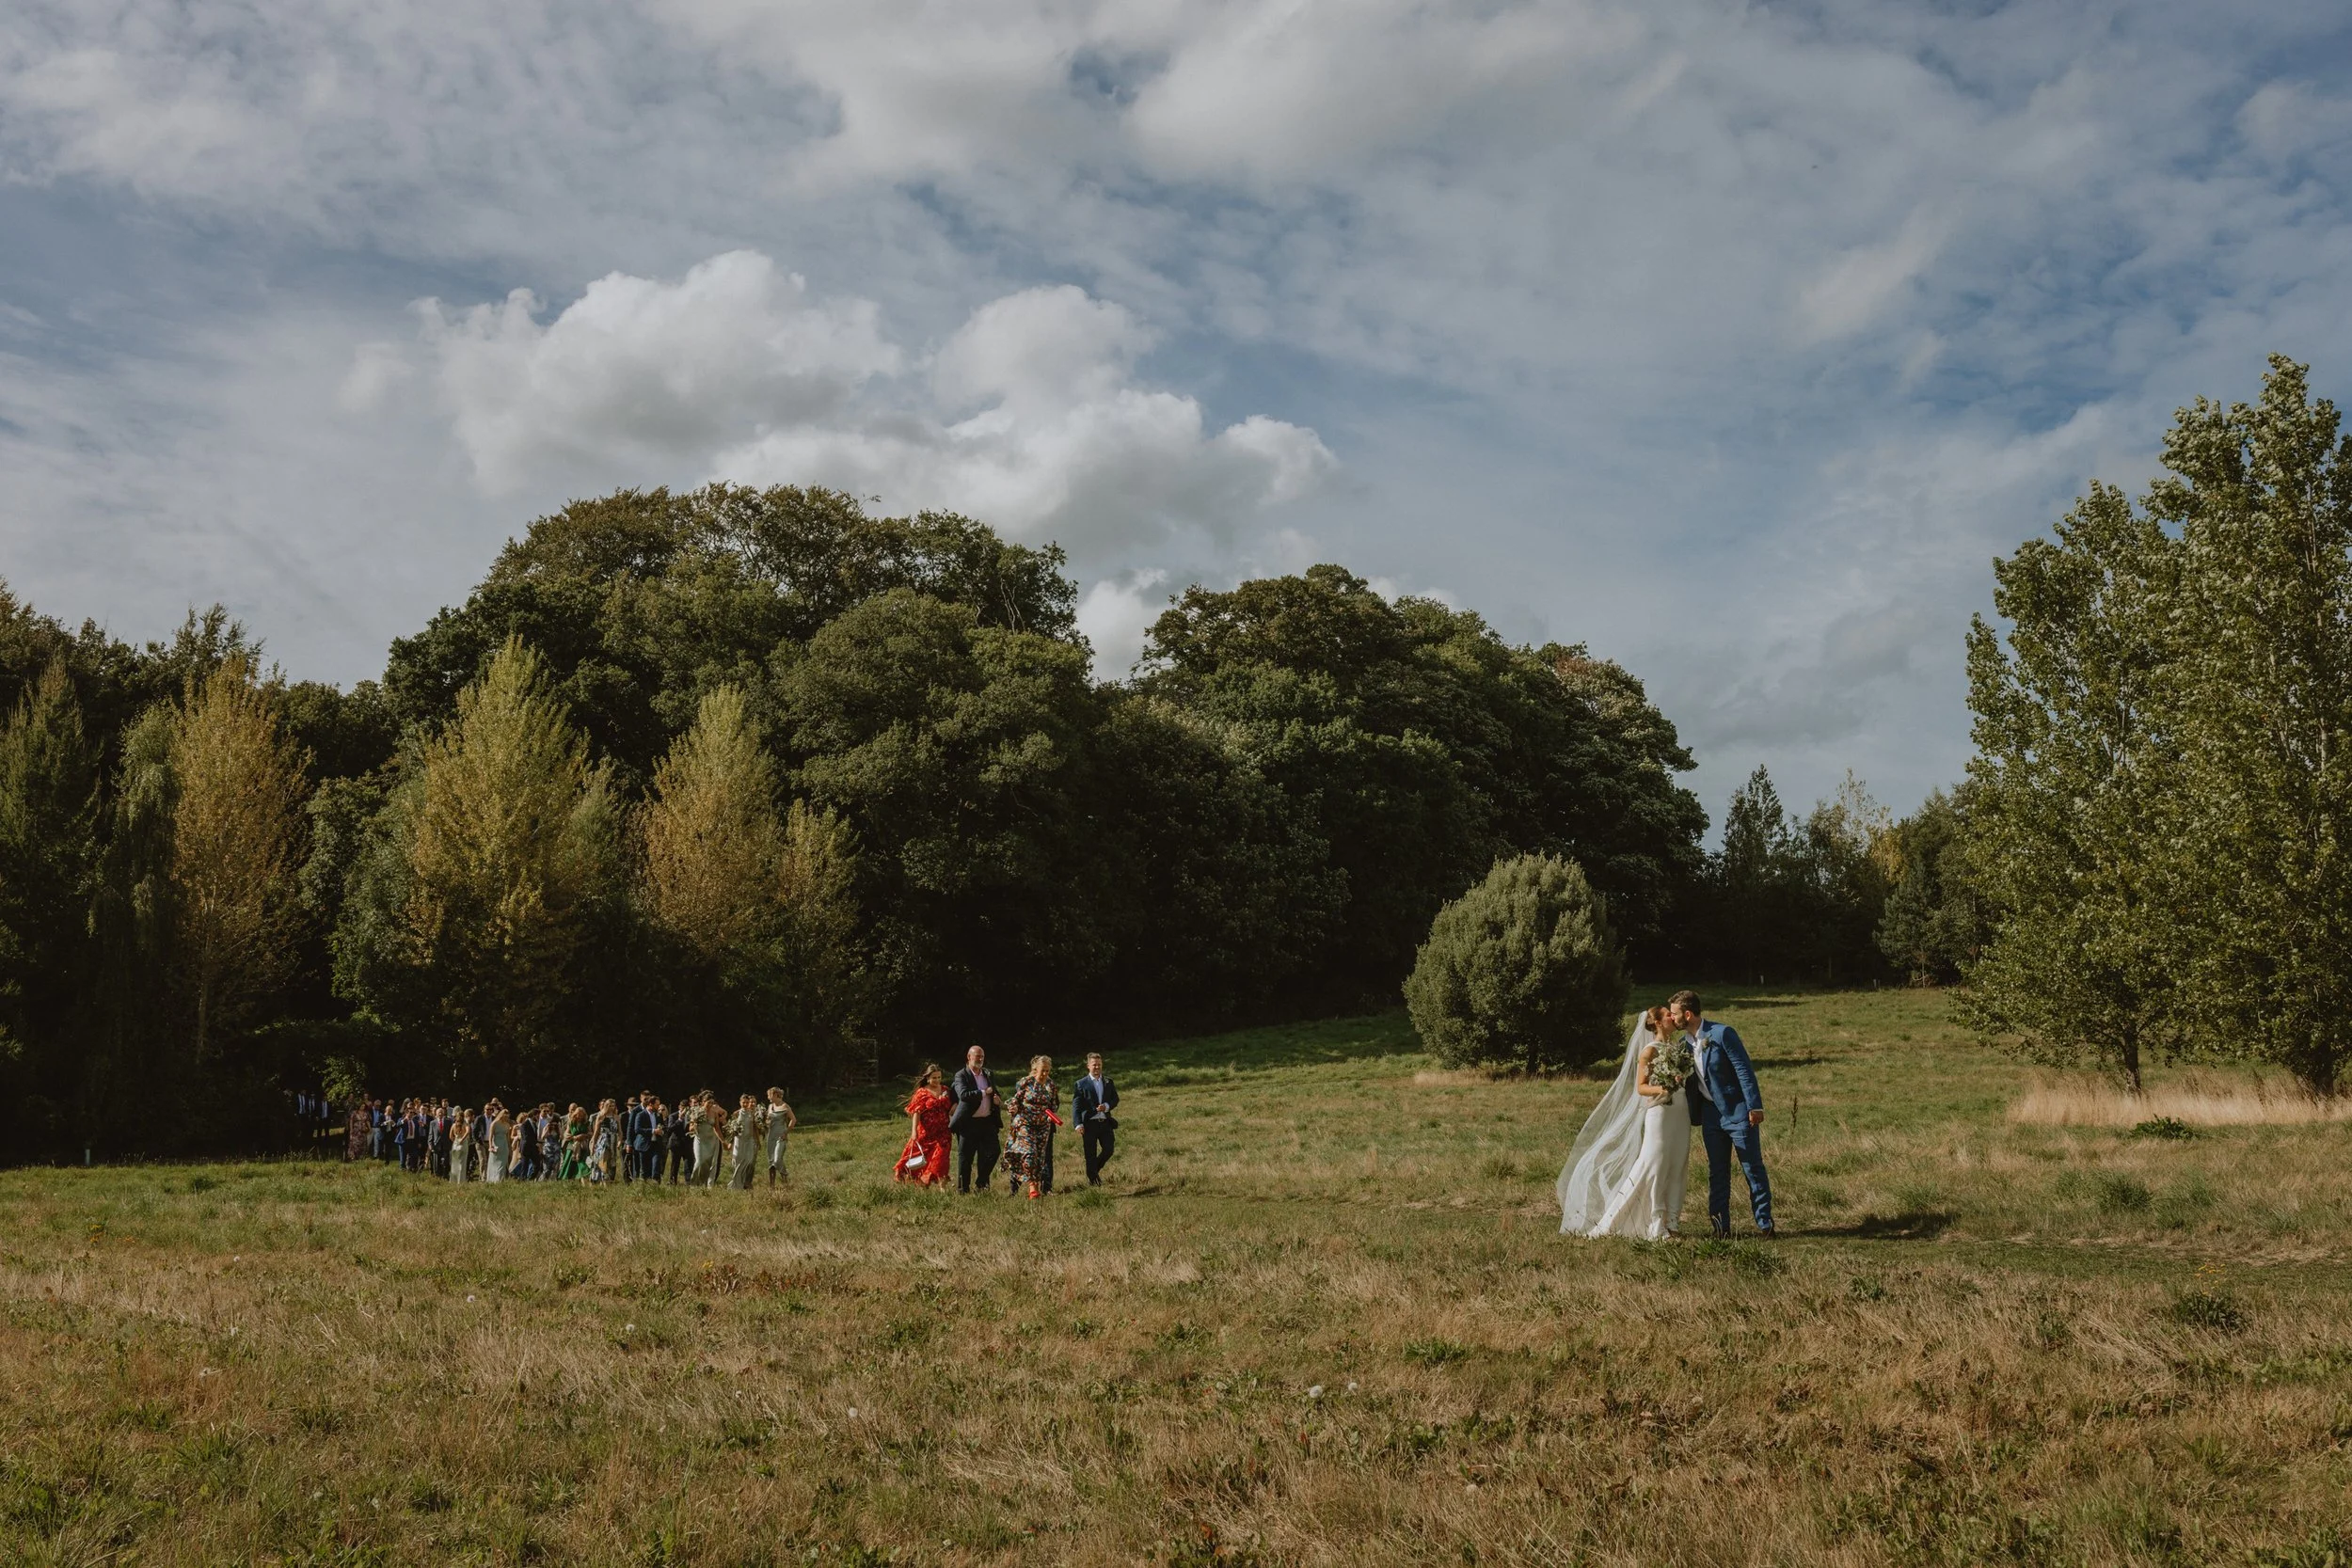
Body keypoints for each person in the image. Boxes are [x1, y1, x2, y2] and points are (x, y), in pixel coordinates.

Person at [1558, 1006, 1690, 1240]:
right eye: (1667, 1014)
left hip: (1680, 1112)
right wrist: (1664, 1087)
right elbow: (1641, 1087)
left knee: (1677, 1164)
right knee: (1655, 1165)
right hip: (1659, 1111)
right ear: (1658, 1022)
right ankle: (1654, 1224)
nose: (1672, 1016)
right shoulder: (1649, 1051)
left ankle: (1673, 1222)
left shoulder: (1676, 1049)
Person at [1669, 990, 1775, 1238]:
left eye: (1675, 1014)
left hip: (1738, 1111)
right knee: (1717, 1171)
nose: (1672, 1019)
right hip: (1710, 1116)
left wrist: (1754, 1106)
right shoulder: (1683, 1044)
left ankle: (1765, 1224)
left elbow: (1743, 1069)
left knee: (1752, 1167)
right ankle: (1720, 1227)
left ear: (1688, 1014)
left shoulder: (1722, 1033)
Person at [1004, 1054, 1058, 1199]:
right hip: (1025, 1123)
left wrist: (1052, 1115)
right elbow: (1015, 1100)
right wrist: (1013, 1108)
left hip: (1043, 1126)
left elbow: (1053, 1104)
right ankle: (1032, 1187)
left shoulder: (1051, 1085)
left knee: (1040, 1158)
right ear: (1035, 1070)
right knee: (1030, 1154)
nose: (1045, 1074)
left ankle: (1030, 1187)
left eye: (1048, 1071)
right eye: (1043, 1071)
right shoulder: (1026, 1082)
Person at [949, 1047, 1001, 1195]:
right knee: (965, 1158)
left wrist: (997, 1099)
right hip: (968, 1122)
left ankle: (981, 1183)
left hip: (987, 1121)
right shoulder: (961, 1075)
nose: (980, 1059)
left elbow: (994, 1091)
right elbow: (964, 1095)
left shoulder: (988, 1073)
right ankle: (963, 1191)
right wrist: (985, 1093)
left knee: (993, 1152)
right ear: (969, 1057)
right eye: (977, 1056)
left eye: (982, 1057)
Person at [893, 1066, 953, 1185]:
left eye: (939, 1077)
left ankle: (942, 1187)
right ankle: (922, 1182)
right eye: (934, 1078)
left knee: (941, 1159)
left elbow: (952, 1107)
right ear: (927, 1078)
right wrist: (914, 1132)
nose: (937, 1080)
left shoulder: (946, 1090)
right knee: (921, 1158)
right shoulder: (921, 1093)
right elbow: (916, 1112)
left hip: (943, 1132)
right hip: (926, 1133)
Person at [1072, 1053, 1119, 1185]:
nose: (1097, 1067)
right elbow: (1076, 1106)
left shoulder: (1108, 1082)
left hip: (1105, 1123)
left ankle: (1092, 1171)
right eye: (1094, 1065)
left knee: (1109, 1149)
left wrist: (1107, 1106)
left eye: (1099, 1064)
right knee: (1090, 1154)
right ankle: (1094, 1180)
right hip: (1089, 1124)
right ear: (1088, 1066)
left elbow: (1115, 1099)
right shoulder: (1081, 1084)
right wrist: (1078, 1124)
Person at [762, 1087, 795, 1187]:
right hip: (771, 1135)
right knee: (771, 1160)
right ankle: (772, 1185)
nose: (768, 1098)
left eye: (769, 1095)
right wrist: (765, 1122)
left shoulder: (785, 1106)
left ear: (776, 1095)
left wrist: (786, 1132)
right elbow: (768, 1121)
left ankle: (785, 1176)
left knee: (777, 1159)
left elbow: (793, 1120)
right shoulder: (770, 1106)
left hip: (781, 1135)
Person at [691, 1092, 724, 1188]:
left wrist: (723, 1142)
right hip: (700, 1141)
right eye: (708, 1102)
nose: (710, 1105)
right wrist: (695, 1124)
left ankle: (702, 1185)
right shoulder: (696, 1112)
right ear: (703, 1102)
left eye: (712, 1103)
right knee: (699, 1161)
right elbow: (690, 1128)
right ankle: (693, 1184)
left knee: (707, 1164)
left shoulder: (714, 1113)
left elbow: (717, 1129)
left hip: (711, 1141)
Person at [486, 1105, 512, 1182]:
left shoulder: (507, 1125)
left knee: (502, 1164)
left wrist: (509, 1147)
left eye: (507, 1117)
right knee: (494, 1163)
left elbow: (508, 1137)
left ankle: (499, 1180)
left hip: (504, 1145)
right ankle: (492, 1180)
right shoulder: (494, 1123)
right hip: (496, 1144)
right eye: (505, 1117)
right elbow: (490, 1136)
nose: (506, 1118)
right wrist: (491, 1146)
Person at [449, 1109, 474, 1184]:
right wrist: (463, 1139)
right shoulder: (465, 1124)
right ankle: (461, 1181)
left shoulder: (453, 1125)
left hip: (455, 1145)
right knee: (462, 1164)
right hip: (463, 1145)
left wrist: (456, 1141)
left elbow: (450, 1136)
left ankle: (453, 1180)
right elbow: (468, 1131)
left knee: (454, 1164)